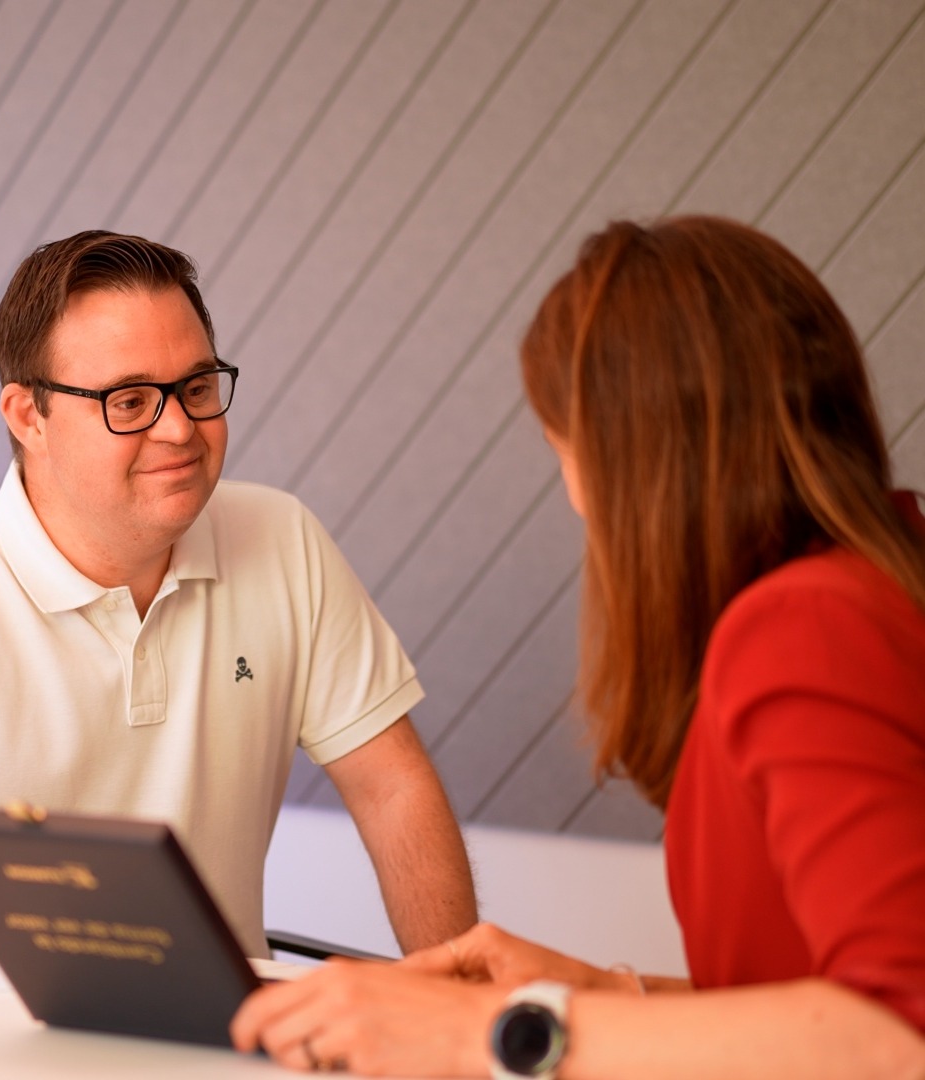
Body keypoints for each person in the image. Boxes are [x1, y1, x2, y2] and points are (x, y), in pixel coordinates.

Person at [230, 215, 925, 1078]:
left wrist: (482, 1039)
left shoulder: (803, 630)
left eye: (562, 447)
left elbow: (899, 1033)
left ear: (633, 461)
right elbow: (802, 991)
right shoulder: (877, 587)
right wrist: (599, 995)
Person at [0, 230, 477, 959]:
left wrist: (461, 1016)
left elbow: (392, 790)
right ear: (28, 416)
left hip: (223, 1043)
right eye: (130, 400)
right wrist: (53, 894)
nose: (179, 428)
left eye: (198, 387)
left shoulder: (282, 538)